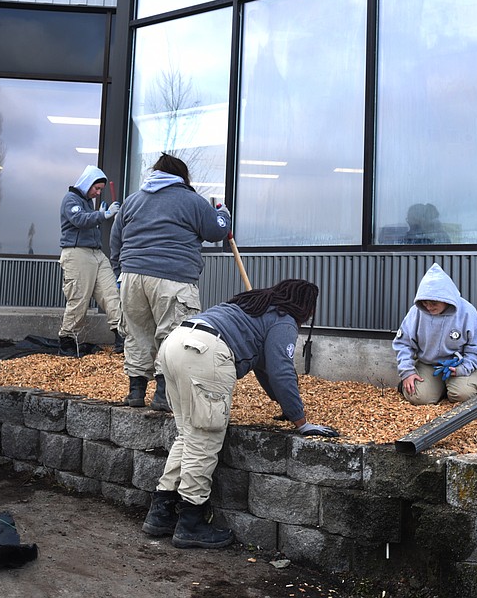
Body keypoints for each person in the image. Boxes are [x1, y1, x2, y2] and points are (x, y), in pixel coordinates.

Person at [141, 279, 338, 549]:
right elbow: (281, 369)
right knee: (205, 439)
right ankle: (190, 523)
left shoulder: (251, 307)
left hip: (176, 343)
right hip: (204, 354)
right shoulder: (283, 319)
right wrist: (301, 421)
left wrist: (286, 407)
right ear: (304, 306)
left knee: (187, 435)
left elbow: (265, 368)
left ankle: (160, 513)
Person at [111, 153, 230, 411]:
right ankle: (164, 395)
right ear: (181, 176)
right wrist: (224, 214)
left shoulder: (133, 200)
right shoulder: (191, 201)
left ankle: (136, 391)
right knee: (174, 336)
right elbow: (216, 230)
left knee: (137, 333)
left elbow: (115, 239)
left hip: (132, 276)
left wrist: (119, 272)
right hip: (172, 277)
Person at [392, 262, 477, 406]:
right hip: (430, 364)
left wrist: (462, 368)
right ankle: (438, 387)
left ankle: (462, 383)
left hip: (460, 363)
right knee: (418, 397)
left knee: (463, 395)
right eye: (425, 303)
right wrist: (407, 372)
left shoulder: (467, 313)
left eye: (433, 303)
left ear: (446, 299)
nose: (429, 307)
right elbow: (403, 343)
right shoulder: (416, 312)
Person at [59, 164, 123, 356]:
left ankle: (121, 335)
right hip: (77, 253)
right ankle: (67, 340)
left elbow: (87, 218)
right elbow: (79, 220)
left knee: (112, 294)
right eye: (96, 188)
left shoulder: (86, 202)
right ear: (87, 183)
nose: (97, 193)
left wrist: (99, 214)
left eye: (101, 190)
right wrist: (103, 214)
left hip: (96, 253)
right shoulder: (71, 199)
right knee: (79, 297)